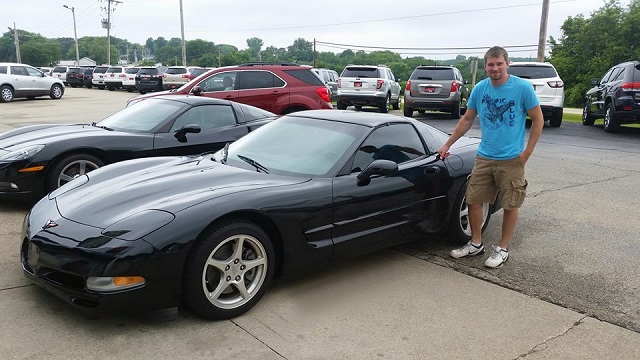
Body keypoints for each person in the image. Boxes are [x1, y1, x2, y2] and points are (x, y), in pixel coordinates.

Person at [437, 46, 544, 268]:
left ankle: (502, 249)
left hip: (512, 158)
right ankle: (476, 243)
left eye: (499, 63)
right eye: (490, 64)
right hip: (484, 156)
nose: (495, 68)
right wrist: (448, 143)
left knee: (510, 204)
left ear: (507, 64)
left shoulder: (522, 88)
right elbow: (467, 119)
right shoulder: (480, 89)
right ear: (485, 66)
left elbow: (538, 120)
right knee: (474, 200)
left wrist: (527, 152)